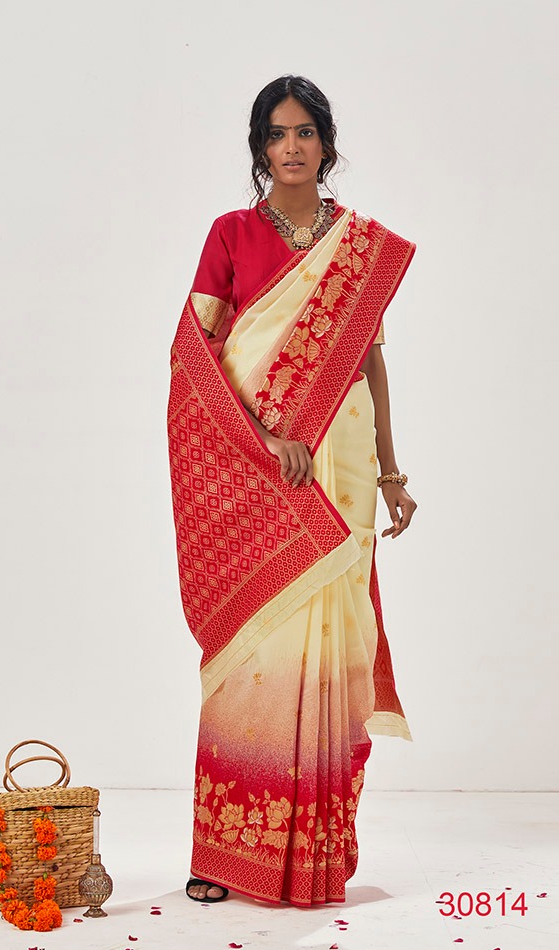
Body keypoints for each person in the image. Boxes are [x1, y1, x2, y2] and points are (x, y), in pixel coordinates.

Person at [167, 75, 417, 908]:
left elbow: (371, 363)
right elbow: (194, 359)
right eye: (277, 134)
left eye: (305, 131)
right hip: (258, 469)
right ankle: (223, 854)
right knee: (253, 657)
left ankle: (313, 855)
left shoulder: (355, 245)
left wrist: (391, 473)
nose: (292, 146)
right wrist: (265, 441)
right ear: (259, 148)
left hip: (341, 468)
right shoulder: (231, 234)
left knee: (330, 653)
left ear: (326, 141)